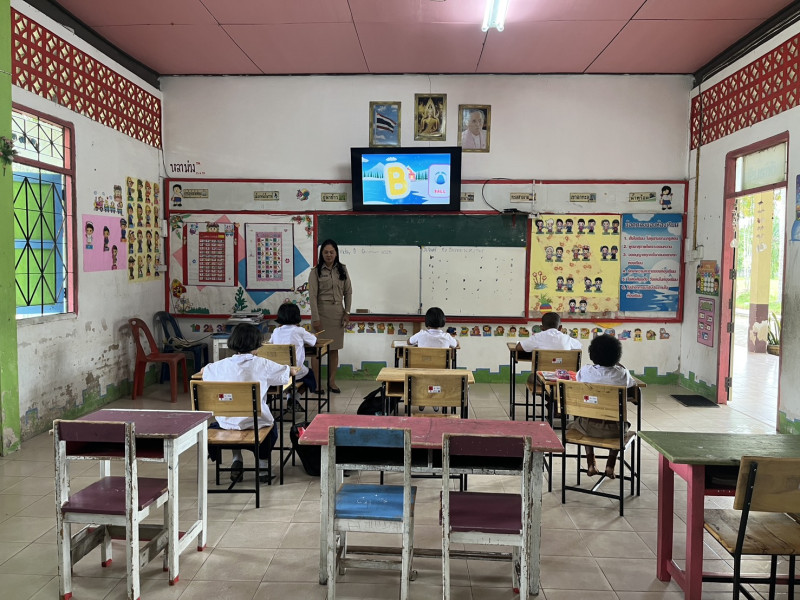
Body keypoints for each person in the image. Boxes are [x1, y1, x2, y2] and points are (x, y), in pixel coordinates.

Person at [201, 323, 299, 484]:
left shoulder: (219, 366)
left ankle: (236, 459)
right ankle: (263, 466)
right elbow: (290, 372)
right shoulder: (263, 364)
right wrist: (292, 369)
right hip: (256, 424)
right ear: (257, 344)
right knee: (271, 427)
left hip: (226, 423)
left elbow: (204, 372)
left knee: (231, 418)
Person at [571, 334, 635, 478]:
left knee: (586, 414)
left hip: (587, 427)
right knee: (619, 419)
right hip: (615, 430)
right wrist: (619, 365)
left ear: (592, 355)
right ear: (618, 356)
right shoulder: (623, 374)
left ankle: (591, 463)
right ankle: (610, 465)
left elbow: (577, 379)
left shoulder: (585, 371)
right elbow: (632, 384)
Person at [308, 239, 352, 393]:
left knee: (334, 349)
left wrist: (347, 312)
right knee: (317, 350)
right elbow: (312, 296)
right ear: (321, 254)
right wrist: (316, 319)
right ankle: (317, 384)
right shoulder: (315, 272)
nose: (329, 255)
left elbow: (348, 292)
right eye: (326, 252)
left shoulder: (342, 269)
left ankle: (332, 383)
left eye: (331, 252)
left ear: (336, 253)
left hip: (338, 314)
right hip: (321, 314)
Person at [270, 302, 318, 413]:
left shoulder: (276, 331)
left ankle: (289, 397)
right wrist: (313, 336)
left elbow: (270, 344)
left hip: (278, 370)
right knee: (309, 375)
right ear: (297, 316)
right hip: (295, 370)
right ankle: (295, 398)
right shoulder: (299, 330)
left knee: (287, 378)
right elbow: (313, 342)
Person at [516, 312, 582, 388]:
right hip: (564, 378)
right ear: (560, 328)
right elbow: (579, 346)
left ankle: (546, 393)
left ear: (541, 328)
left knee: (531, 377)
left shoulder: (538, 337)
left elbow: (519, 347)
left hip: (542, 377)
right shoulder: (567, 338)